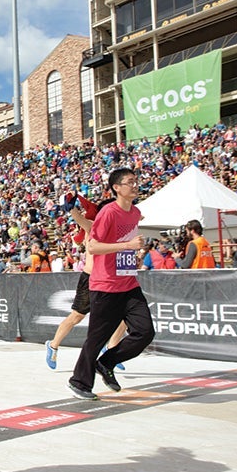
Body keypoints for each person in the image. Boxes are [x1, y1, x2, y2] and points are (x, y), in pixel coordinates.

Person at [68, 168, 153, 400]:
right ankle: (79, 382)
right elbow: (93, 247)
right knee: (96, 339)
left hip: (129, 283)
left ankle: (106, 363)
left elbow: (127, 242)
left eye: (136, 181)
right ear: (117, 188)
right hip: (105, 285)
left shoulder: (135, 212)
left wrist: (133, 254)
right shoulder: (108, 213)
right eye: (129, 182)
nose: (135, 185)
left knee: (145, 332)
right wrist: (127, 246)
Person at [45, 200, 127, 371]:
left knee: (125, 315)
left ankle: (111, 349)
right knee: (77, 316)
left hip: (109, 280)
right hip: (90, 279)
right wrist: (71, 208)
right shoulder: (94, 226)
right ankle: (53, 346)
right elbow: (80, 219)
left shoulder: (118, 230)